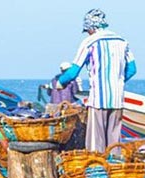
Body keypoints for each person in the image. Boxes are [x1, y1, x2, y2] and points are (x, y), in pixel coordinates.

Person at [57, 9, 136, 152]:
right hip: (117, 100)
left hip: (98, 99)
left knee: (96, 143)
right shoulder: (122, 41)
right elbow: (132, 69)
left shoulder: (89, 42)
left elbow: (74, 71)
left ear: (91, 28)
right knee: (114, 142)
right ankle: (114, 168)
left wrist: (60, 83)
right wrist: (117, 80)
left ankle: (97, 171)